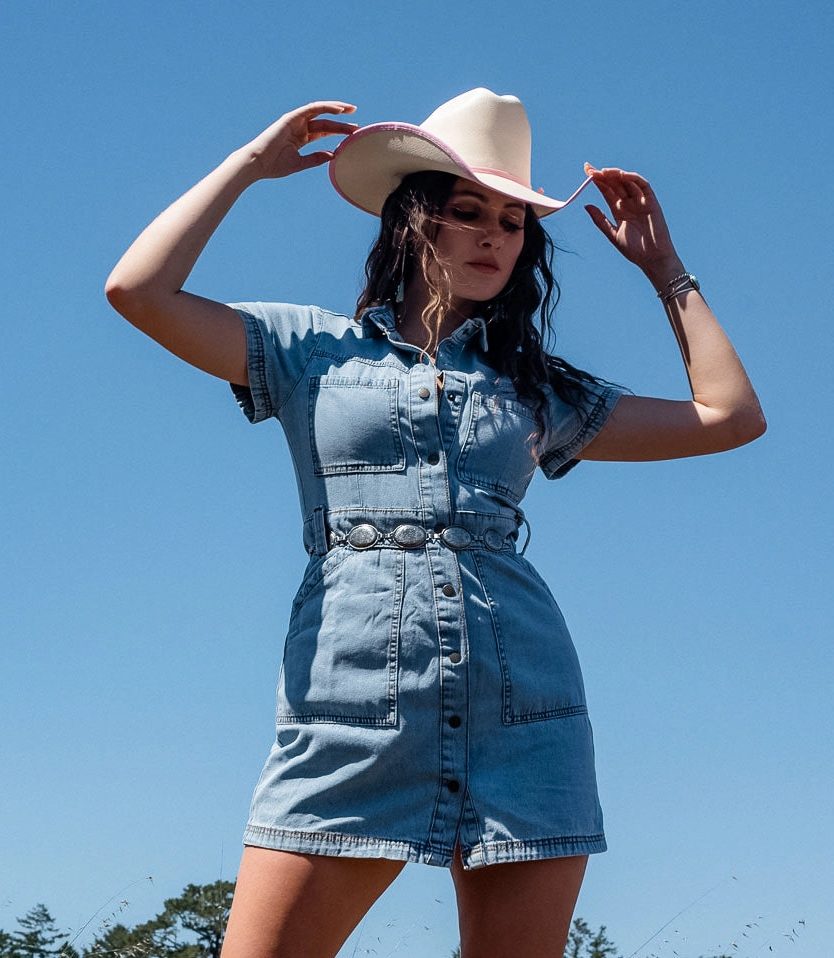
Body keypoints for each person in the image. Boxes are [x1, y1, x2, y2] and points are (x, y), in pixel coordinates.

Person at [105, 88, 765, 958]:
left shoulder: (535, 388)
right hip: (349, 707)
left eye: (513, 221)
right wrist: (249, 169)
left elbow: (730, 415)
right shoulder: (311, 350)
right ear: (415, 222)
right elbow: (137, 290)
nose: (495, 234)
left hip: (525, 710)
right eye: (469, 212)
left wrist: (663, 269)